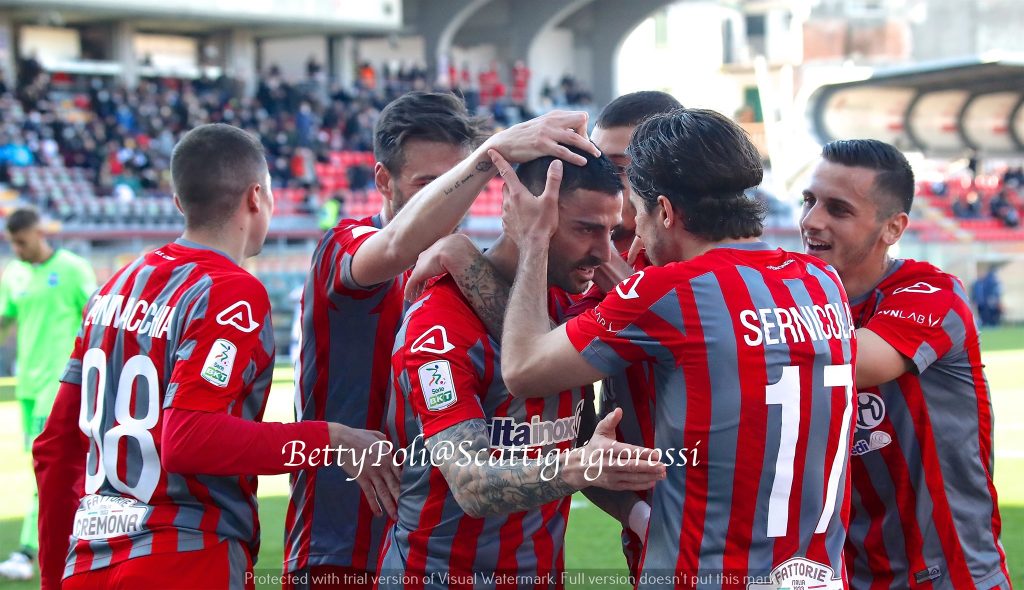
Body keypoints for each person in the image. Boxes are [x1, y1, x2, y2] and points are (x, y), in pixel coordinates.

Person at [497, 108, 856, 588]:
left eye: (639, 214)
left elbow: (522, 368)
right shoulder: (821, 280)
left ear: (664, 212)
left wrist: (535, 237)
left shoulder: (669, 291)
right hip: (819, 574)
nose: (636, 233)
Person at [32, 123, 400, 590]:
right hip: (183, 558)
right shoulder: (231, 293)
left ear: (180, 203)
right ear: (256, 198)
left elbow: (55, 447)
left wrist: (54, 577)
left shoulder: (114, 287)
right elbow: (189, 437)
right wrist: (332, 439)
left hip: (89, 564)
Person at [283, 92, 600, 588]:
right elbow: (394, 245)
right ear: (382, 180)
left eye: (464, 181)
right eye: (430, 184)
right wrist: (487, 155)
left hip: (424, 534)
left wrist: (463, 255)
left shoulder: (468, 268)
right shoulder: (344, 247)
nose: (450, 200)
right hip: (340, 538)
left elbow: (522, 340)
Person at [378, 145, 665, 587]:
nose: (603, 252)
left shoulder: (567, 309)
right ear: (526, 218)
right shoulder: (439, 324)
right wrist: (579, 467)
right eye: (586, 229)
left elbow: (582, 441)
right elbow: (472, 484)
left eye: (611, 230)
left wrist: (639, 516)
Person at [800, 139, 1011, 589]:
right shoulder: (799, 301)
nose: (811, 220)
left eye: (838, 209)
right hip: (847, 575)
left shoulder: (930, 292)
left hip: (950, 578)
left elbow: (855, 362)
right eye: (809, 200)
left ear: (892, 228)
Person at [0, 208, 95, 581]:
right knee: (48, 469)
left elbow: (94, 316)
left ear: (38, 233)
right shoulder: (14, 273)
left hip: (61, 386)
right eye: (12, 244)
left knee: (47, 469)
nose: (18, 249)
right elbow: (5, 317)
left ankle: (27, 552)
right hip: (28, 385)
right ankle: (80, 535)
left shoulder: (72, 269)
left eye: (21, 242)